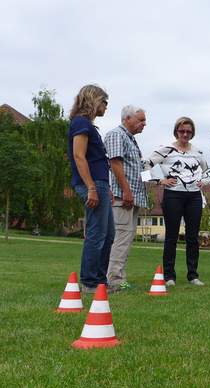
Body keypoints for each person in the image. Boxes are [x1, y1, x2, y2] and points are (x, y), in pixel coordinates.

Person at [145, 117, 210, 287]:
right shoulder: (166, 150)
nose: (185, 134)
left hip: (194, 197)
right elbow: (145, 165)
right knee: (172, 236)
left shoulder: (197, 152)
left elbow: (208, 171)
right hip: (173, 195)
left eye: (189, 131)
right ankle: (169, 276)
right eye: (182, 131)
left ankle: (193, 275)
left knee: (192, 237)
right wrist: (160, 181)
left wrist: (204, 181)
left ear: (192, 133)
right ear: (176, 132)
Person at [67, 84, 114, 294]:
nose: (105, 107)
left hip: (101, 184)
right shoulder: (81, 123)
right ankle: (89, 282)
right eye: (104, 102)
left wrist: (106, 188)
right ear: (94, 100)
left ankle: (100, 281)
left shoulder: (88, 125)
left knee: (109, 234)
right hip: (92, 184)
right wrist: (92, 188)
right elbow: (79, 156)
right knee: (97, 233)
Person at [105, 105, 147, 292]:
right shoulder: (117, 135)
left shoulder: (131, 140)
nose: (144, 124)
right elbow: (115, 163)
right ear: (127, 119)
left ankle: (119, 276)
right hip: (123, 197)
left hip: (133, 197)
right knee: (121, 238)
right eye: (141, 120)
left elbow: (137, 168)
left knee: (127, 238)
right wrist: (126, 191)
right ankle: (114, 280)